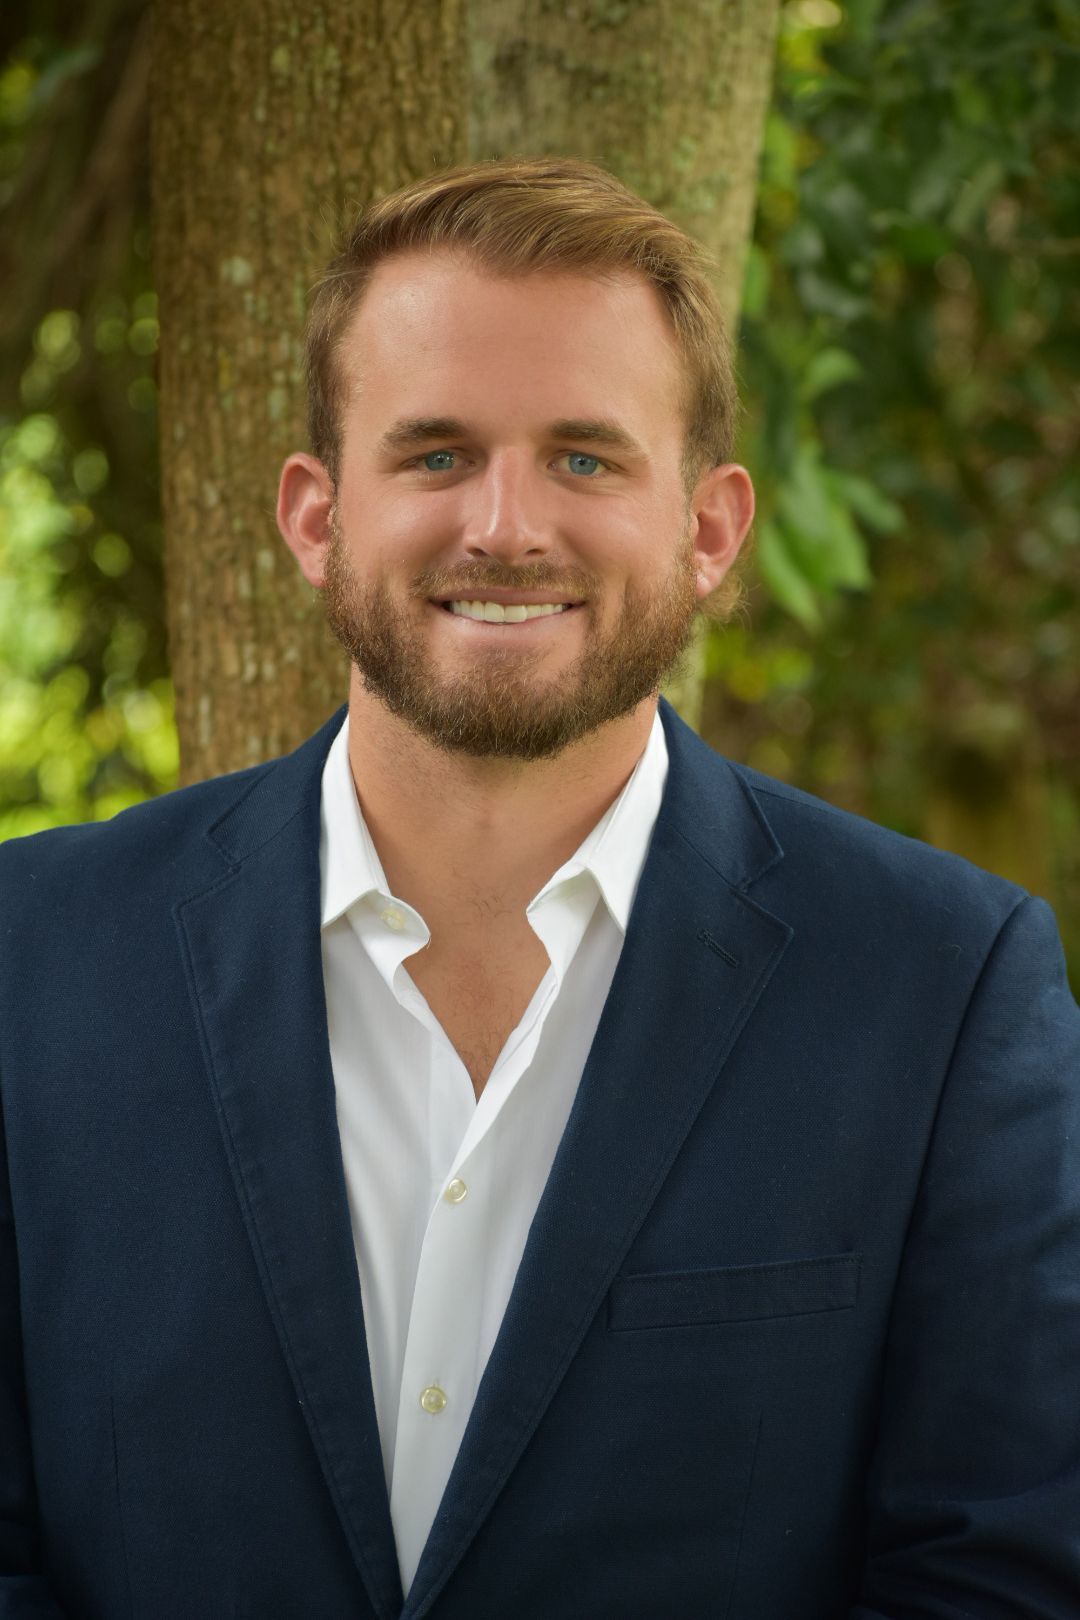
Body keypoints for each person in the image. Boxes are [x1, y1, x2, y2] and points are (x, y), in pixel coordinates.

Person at [1, 156, 1078, 1620]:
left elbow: (1000, 1577)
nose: (506, 527)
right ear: (315, 517)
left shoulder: (944, 988)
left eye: (584, 457)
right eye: (436, 454)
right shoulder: (33, 960)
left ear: (710, 529)